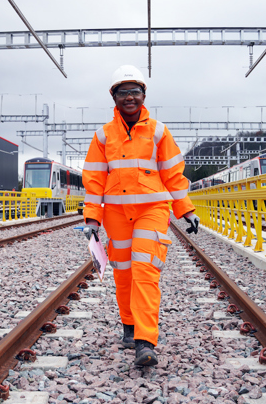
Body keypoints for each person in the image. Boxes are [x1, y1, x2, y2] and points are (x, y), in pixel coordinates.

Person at [81, 65, 200, 367]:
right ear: (114, 97)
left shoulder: (159, 131)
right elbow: (94, 180)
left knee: (145, 269)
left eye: (135, 91)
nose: (130, 97)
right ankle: (129, 326)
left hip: (152, 209)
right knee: (123, 271)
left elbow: (174, 175)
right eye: (123, 92)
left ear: (144, 95)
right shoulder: (103, 136)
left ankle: (145, 342)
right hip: (117, 214)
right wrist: (92, 220)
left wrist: (185, 209)